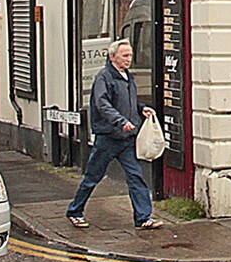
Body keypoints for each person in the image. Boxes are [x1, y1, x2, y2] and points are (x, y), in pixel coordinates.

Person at [67, 40, 163, 230]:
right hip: (108, 138)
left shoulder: (128, 77)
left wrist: (142, 109)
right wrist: (121, 121)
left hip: (126, 139)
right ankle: (75, 211)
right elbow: (103, 105)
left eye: (130, 55)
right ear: (113, 57)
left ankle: (143, 218)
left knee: (136, 177)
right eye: (125, 56)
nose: (129, 59)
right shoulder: (104, 78)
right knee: (92, 176)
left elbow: (129, 103)